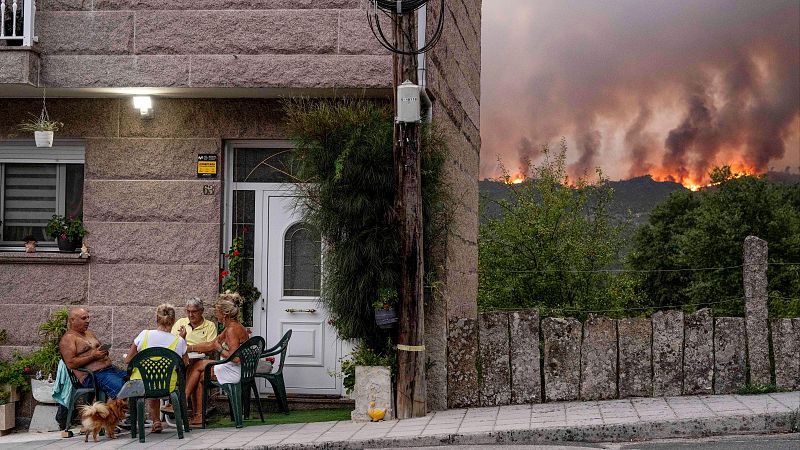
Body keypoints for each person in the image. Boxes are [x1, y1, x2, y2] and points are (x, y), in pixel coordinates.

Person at [183, 292, 249, 426]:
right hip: (237, 368)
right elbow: (211, 344)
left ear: (224, 314)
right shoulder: (233, 326)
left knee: (198, 367)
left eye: (217, 312)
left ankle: (182, 402)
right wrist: (188, 348)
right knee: (200, 374)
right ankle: (197, 415)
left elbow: (236, 359)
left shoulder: (231, 330)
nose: (215, 315)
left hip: (235, 370)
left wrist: (219, 349)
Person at [124, 304, 189, 434]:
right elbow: (186, 363)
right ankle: (159, 421)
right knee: (158, 381)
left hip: (141, 384)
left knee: (150, 379)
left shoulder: (144, 335)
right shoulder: (178, 341)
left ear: (157, 318)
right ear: (174, 320)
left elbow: (128, 360)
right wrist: (183, 339)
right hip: (167, 385)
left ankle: (155, 421)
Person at [59, 307, 126, 399]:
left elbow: (98, 349)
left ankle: (129, 412)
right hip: (92, 376)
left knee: (133, 383)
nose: (87, 321)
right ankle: (109, 412)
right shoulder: (68, 339)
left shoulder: (89, 333)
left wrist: (103, 352)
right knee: (121, 389)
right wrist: (93, 357)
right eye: (84, 318)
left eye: (88, 318)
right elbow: (71, 363)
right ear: (72, 320)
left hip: (110, 370)